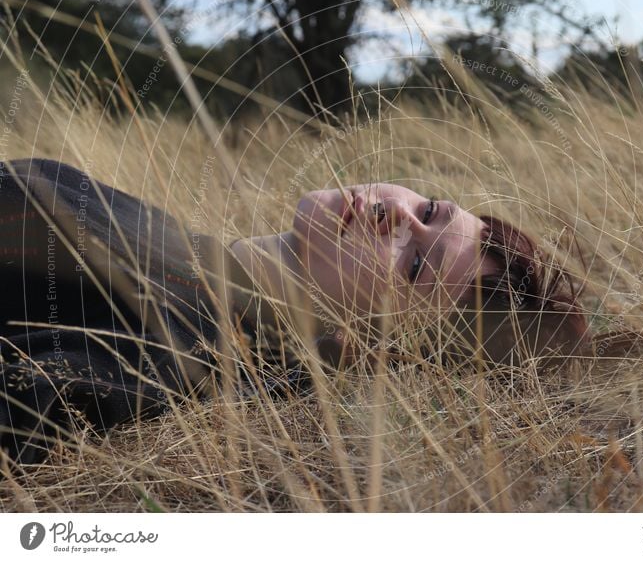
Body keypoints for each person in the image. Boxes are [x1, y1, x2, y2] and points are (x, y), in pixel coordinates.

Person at [0, 158, 589, 467]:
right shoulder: (185, 251)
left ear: (379, 334)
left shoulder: (179, 349)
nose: (399, 217)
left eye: (415, 266)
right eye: (430, 209)